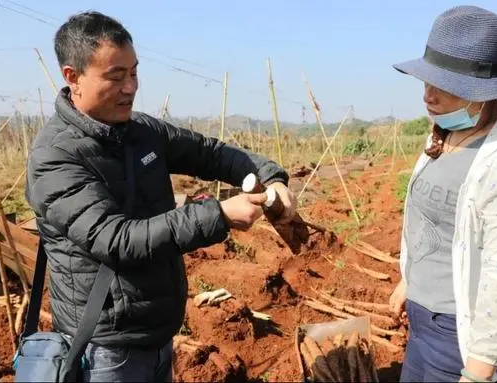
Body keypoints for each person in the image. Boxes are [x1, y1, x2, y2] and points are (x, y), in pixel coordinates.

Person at [24, 11, 297, 382]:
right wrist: (218, 215)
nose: (131, 87)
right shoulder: (55, 157)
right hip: (106, 350)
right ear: (73, 77)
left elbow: (210, 153)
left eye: (134, 72)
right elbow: (116, 240)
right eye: (116, 76)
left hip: (157, 333)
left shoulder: (143, 132)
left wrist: (270, 175)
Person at [387, 5, 497, 383]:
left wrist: (478, 370)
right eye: (426, 81)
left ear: (482, 93)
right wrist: (409, 281)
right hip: (422, 324)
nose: (428, 95)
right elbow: (431, 225)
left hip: (461, 337)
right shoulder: (444, 134)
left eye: (443, 85)